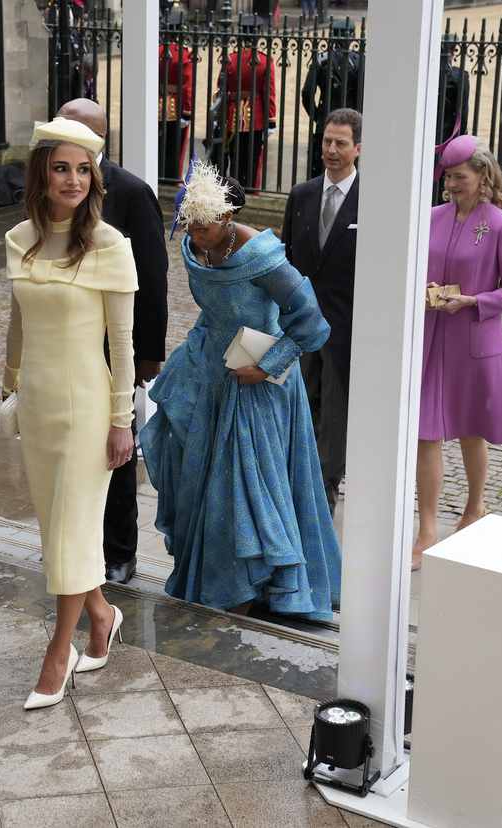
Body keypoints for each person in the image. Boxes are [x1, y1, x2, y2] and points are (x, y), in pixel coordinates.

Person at [141, 160, 341, 622]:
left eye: (203, 229)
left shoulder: (263, 258)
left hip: (257, 386)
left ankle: (247, 586)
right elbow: (214, 309)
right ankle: (213, 576)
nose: (193, 237)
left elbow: (312, 324)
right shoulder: (197, 246)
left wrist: (267, 366)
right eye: (188, 227)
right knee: (197, 472)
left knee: (244, 488)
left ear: (227, 219)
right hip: (213, 372)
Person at [1, 117, 137, 708]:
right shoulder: (18, 239)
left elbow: (124, 345)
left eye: (84, 170)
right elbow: (16, 325)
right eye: (62, 168)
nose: (74, 180)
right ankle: (102, 613)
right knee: (58, 528)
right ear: (42, 172)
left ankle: (60, 650)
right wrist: (8, 391)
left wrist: (122, 419)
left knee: (72, 532)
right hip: (37, 403)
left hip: (88, 405)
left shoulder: (110, 245)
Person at [55, 98, 170, 585]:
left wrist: (148, 353)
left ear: (99, 138)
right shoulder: (49, 187)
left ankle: (119, 551)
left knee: (114, 450)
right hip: (62, 342)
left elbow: (153, 276)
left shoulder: (131, 191)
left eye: (76, 128)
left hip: (110, 346)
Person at [414, 135, 502, 569]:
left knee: (469, 430)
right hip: (429, 338)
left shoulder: (500, 225)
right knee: (426, 432)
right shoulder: (431, 217)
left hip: (473, 341)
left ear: (483, 176)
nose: (452, 185)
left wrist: (476, 302)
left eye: (460, 177)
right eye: (447, 178)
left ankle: (474, 507)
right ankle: (426, 530)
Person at [281, 107, 361, 517]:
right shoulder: (302, 194)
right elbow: (288, 259)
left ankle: (325, 488)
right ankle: (298, 479)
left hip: (345, 327)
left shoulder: (372, 200)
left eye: (340, 143)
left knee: (334, 411)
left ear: (358, 148)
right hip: (301, 322)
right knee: (300, 401)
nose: (331, 149)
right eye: (327, 141)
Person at [300, 22, 361, 179]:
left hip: (325, 125)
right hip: (350, 127)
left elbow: (307, 92)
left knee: (319, 174)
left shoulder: (321, 58)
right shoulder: (360, 60)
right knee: (347, 174)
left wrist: (318, 118)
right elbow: (364, 95)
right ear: (352, 37)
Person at [218, 46, 276, 191]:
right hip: (255, 120)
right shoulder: (264, 59)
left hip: (232, 118)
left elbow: (221, 89)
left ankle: (234, 194)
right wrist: (271, 119)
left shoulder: (230, 58)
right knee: (252, 162)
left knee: (235, 160)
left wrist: (220, 116)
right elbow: (268, 93)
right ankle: (250, 192)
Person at [158, 43, 195, 180]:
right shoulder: (185, 53)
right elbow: (187, 87)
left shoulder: (159, 50)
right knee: (174, 152)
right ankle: (171, 181)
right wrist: (186, 112)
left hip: (157, 105)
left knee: (158, 148)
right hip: (176, 108)